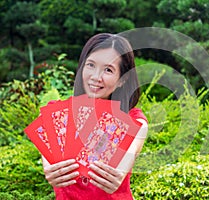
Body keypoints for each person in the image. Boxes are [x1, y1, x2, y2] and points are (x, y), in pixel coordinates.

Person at [42, 33, 148, 199]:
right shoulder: (57, 114)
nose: (95, 77)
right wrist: (50, 168)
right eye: (90, 65)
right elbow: (49, 161)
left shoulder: (134, 120)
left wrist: (119, 171)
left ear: (122, 79)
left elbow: (131, 151)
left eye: (108, 70)